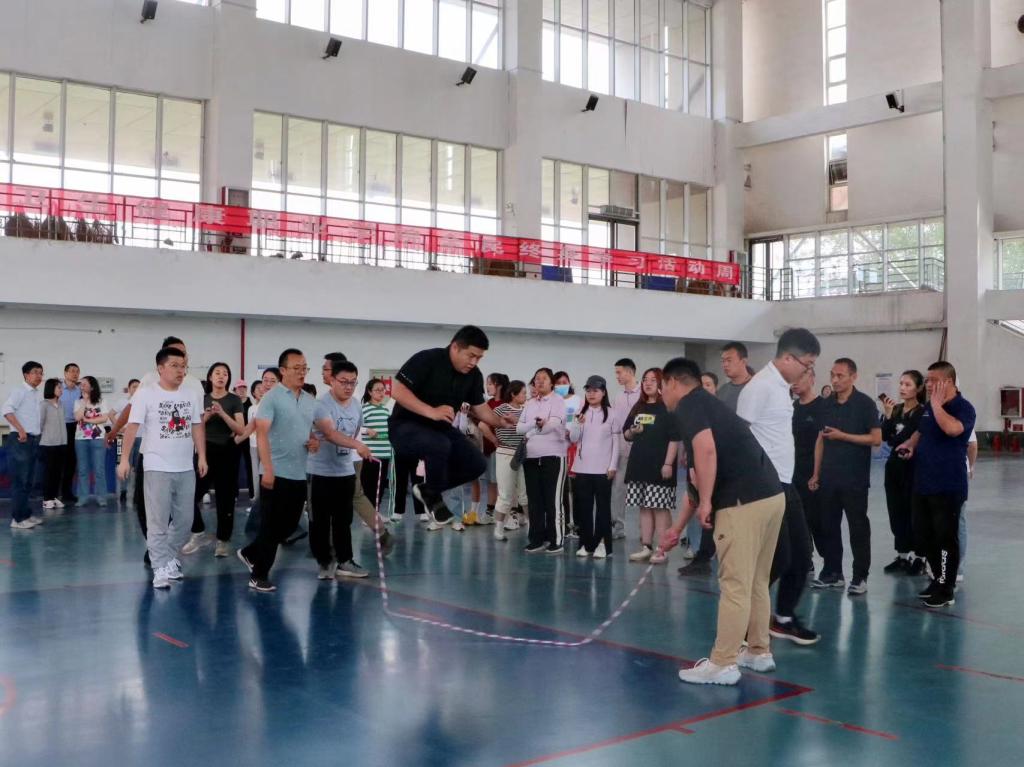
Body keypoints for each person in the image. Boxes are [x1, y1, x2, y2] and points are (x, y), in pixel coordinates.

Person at [658, 358, 785, 685]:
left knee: (735, 585)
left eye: (662, 387)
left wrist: (708, 502)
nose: (661, 394)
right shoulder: (709, 405)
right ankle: (758, 652)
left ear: (673, 383)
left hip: (742, 503)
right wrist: (676, 529)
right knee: (756, 581)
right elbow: (697, 481)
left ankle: (723, 663)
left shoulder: (689, 405)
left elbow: (706, 452)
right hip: (771, 496)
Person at [737, 328, 822, 646]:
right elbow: (739, 437)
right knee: (774, 561)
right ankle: (742, 621)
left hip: (786, 484)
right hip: (764, 486)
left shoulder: (781, 387)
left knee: (799, 555)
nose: (808, 371)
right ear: (788, 358)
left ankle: (783, 618)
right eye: (807, 364)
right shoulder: (760, 387)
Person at [387, 326, 513, 525]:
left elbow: (479, 408)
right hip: (405, 427)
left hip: (439, 429)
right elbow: (396, 389)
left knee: (477, 463)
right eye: (471, 356)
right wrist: (431, 411)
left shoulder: (473, 375)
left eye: (479, 358)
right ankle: (434, 498)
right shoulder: (427, 359)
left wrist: (500, 422)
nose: (474, 362)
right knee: (439, 444)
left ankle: (429, 490)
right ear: (455, 347)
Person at [117, 346, 207, 589]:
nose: (180, 371)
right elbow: (132, 427)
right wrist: (124, 459)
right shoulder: (146, 394)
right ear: (160, 368)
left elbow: (197, 425)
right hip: (156, 465)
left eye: (183, 366)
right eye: (175, 366)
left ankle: (166, 559)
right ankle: (160, 568)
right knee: (157, 521)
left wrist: (202, 456)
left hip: (185, 466)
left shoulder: (191, 394)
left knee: (185, 521)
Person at [237, 349, 319, 593]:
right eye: (296, 368)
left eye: (304, 368)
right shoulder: (271, 398)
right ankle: (259, 575)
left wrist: (314, 442)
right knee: (271, 525)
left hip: (299, 471)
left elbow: (309, 431)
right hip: (275, 471)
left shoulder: (309, 400)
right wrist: (268, 469)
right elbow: (261, 434)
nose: (302, 372)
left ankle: (250, 552)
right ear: (283, 370)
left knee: (290, 525)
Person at [898, 362, 976, 608]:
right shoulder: (929, 409)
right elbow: (921, 432)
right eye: (927, 380)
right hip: (924, 483)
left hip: (948, 486)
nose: (928, 384)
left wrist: (936, 405)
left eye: (933, 380)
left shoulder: (963, 408)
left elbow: (952, 429)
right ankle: (938, 580)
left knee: (945, 539)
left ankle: (946, 588)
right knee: (923, 536)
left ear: (948, 382)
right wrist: (910, 445)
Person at [809, 358, 882, 595]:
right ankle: (833, 573)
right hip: (828, 478)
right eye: (832, 375)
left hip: (854, 480)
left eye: (840, 375)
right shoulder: (826, 404)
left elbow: (876, 439)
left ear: (853, 376)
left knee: (857, 528)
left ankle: (860, 577)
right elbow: (820, 440)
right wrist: (816, 473)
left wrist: (844, 436)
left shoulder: (865, 404)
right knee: (829, 527)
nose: (835, 380)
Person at [309, 360, 374, 580]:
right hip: (320, 472)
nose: (348, 386)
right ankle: (324, 562)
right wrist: (357, 445)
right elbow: (330, 433)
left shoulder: (356, 405)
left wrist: (354, 447)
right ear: (332, 381)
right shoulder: (321, 404)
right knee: (319, 520)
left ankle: (345, 560)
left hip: (345, 472)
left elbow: (354, 432)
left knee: (343, 520)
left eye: (353, 382)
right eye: (344, 381)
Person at [182, 363, 245, 558]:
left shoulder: (234, 400)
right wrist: (207, 415)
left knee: (225, 499)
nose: (221, 376)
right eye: (217, 373)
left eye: (225, 373)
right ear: (210, 377)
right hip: (204, 451)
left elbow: (241, 429)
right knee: (189, 496)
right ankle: (198, 532)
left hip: (227, 451)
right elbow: (191, 427)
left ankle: (223, 540)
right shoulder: (201, 399)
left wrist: (223, 413)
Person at [623, 368, 678, 565]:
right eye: (645, 380)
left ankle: (662, 549)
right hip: (639, 464)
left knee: (659, 507)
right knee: (644, 507)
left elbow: (674, 438)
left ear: (661, 383)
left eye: (653, 380)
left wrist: (668, 463)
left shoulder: (668, 408)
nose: (647, 383)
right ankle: (646, 546)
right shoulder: (639, 407)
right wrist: (633, 431)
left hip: (660, 466)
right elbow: (626, 434)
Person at [880, 371, 927, 576]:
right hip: (894, 466)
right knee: (896, 510)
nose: (902, 388)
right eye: (901, 383)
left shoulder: (922, 412)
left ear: (918, 388)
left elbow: (908, 437)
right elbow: (885, 437)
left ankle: (920, 557)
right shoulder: (896, 409)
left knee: (914, 512)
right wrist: (888, 415)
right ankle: (902, 555)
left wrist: (899, 436)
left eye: (908, 384)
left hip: (914, 466)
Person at [517, 368, 569, 553]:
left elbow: (552, 425)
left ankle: (556, 539)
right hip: (531, 457)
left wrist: (537, 427)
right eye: (536, 378)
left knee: (553, 501)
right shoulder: (530, 403)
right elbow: (519, 428)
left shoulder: (558, 401)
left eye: (543, 378)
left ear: (551, 383)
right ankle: (536, 539)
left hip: (553, 456)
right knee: (534, 500)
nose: (539, 381)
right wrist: (535, 424)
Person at [569, 375, 619, 558]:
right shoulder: (580, 412)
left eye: (595, 390)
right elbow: (573, 439)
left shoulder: (612, 413)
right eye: (588, 390)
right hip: (582, 468)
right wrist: (577, 424)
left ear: (603, 392)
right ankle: (586, 544)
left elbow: (616, 443)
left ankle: (603, 545)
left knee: (603, 509)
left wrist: (613, 466)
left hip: (603, 469)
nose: (591, 394)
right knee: (584, 508)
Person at [791, 367, 827, 562]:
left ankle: (830, 562)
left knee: (818, 519)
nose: (795, 383)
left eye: (800, 378)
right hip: (794, 473)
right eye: (792, 379)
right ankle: (805, 559)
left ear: (812, 378)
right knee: (798, 520)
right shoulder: (791, 408)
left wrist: (816, 474)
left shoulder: (823, 406)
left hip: (815, 473)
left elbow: (823, 442)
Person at [3, 361, 45, 529]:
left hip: (32, 440)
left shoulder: (35, 394)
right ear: (26, 375)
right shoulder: (19, 391)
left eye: (41, 373)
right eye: (35, 372)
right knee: (20, 480)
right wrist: (20, 430)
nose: (39, 376)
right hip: (21, 440)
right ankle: (18, 519)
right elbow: (6, 410)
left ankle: (25, 514)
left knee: (28, 481)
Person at [492, 380, 528, 541]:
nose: (525, 396)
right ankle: (499, 528)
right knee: (505, 493)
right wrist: (494, 439)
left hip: (523, 453)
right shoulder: (501, 409)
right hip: (505, 452)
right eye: (523, 393)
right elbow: (483, 424)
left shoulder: (526, 410)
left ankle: (531, 527)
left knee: (525, 494)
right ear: (513, 394)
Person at [610, 358, 641, 540]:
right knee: (618, 488)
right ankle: (618, 527)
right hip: (622, 448)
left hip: (642, 449)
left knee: (645, 489)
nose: (617, 376)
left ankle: (646, 530)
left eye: (619, 372)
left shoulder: (644, 394)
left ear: (630, 372)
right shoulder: (618, 397)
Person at [74, 375, 115, 506]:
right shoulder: (78, 402)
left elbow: (104, 418)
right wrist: (84, 402)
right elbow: (77, 417)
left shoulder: (101, 401)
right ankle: (83, 497)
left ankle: (101, 497)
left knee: (99, 470)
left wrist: (87, 420)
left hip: (98, 438)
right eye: (81, 384)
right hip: (81, 439)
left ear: (92, 387)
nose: (82, 386)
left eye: (84, 384)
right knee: (82, 470)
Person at [360, 378, 394, 518]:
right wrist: (367, 430)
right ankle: (369, 516)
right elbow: (356, 428)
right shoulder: (365, 408)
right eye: (377, 390)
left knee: (380, 487)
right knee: (370, 486)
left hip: (385, 455)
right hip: (371, 455)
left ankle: (375, 513)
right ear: (370, 392)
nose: (381, 393)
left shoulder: (385, 410)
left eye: (383, 390)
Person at [39, 378, 68, 511]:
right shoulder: (43, 405)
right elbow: (40, 424)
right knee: (48, 472)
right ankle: (47, 499)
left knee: (58, 472)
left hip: (61, 443)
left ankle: (54, 496)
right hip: (48, 444)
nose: (61, 390)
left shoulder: (61, 404)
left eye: (61, 388)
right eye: (59, 387)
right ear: (51, 388)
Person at [59, 362, 81, 503]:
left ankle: (67, 492)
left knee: (72, 461)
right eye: (72, 371)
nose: (75, 374)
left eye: (77, 371)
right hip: (60, 426)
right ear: (65, 373)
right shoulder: (59, 389)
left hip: (76, 427)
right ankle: (54, 494)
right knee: (59, 460)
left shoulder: (80, 391)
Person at [958, 430, 978, 584]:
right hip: (936, 472)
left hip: (956, 473)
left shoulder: (963, 416)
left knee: (958, 520)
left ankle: (956, 568)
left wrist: (970, 467)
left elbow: (972, 445)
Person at [717, 342, 753, 411]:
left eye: (729, 360)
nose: (725, 364)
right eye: (723, 361)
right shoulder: (723, 390)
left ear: (743, 361)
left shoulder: (756, 386)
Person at [235, 379, 255, 498]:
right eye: (239, 388)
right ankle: (234, 494)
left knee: (251, 466)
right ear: (235, 390)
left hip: (249, 439)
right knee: (234, 466)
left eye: (244, 388)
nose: (242, 390)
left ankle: (253, 493)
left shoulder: (251, 405)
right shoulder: (233, 403)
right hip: (236, 439)